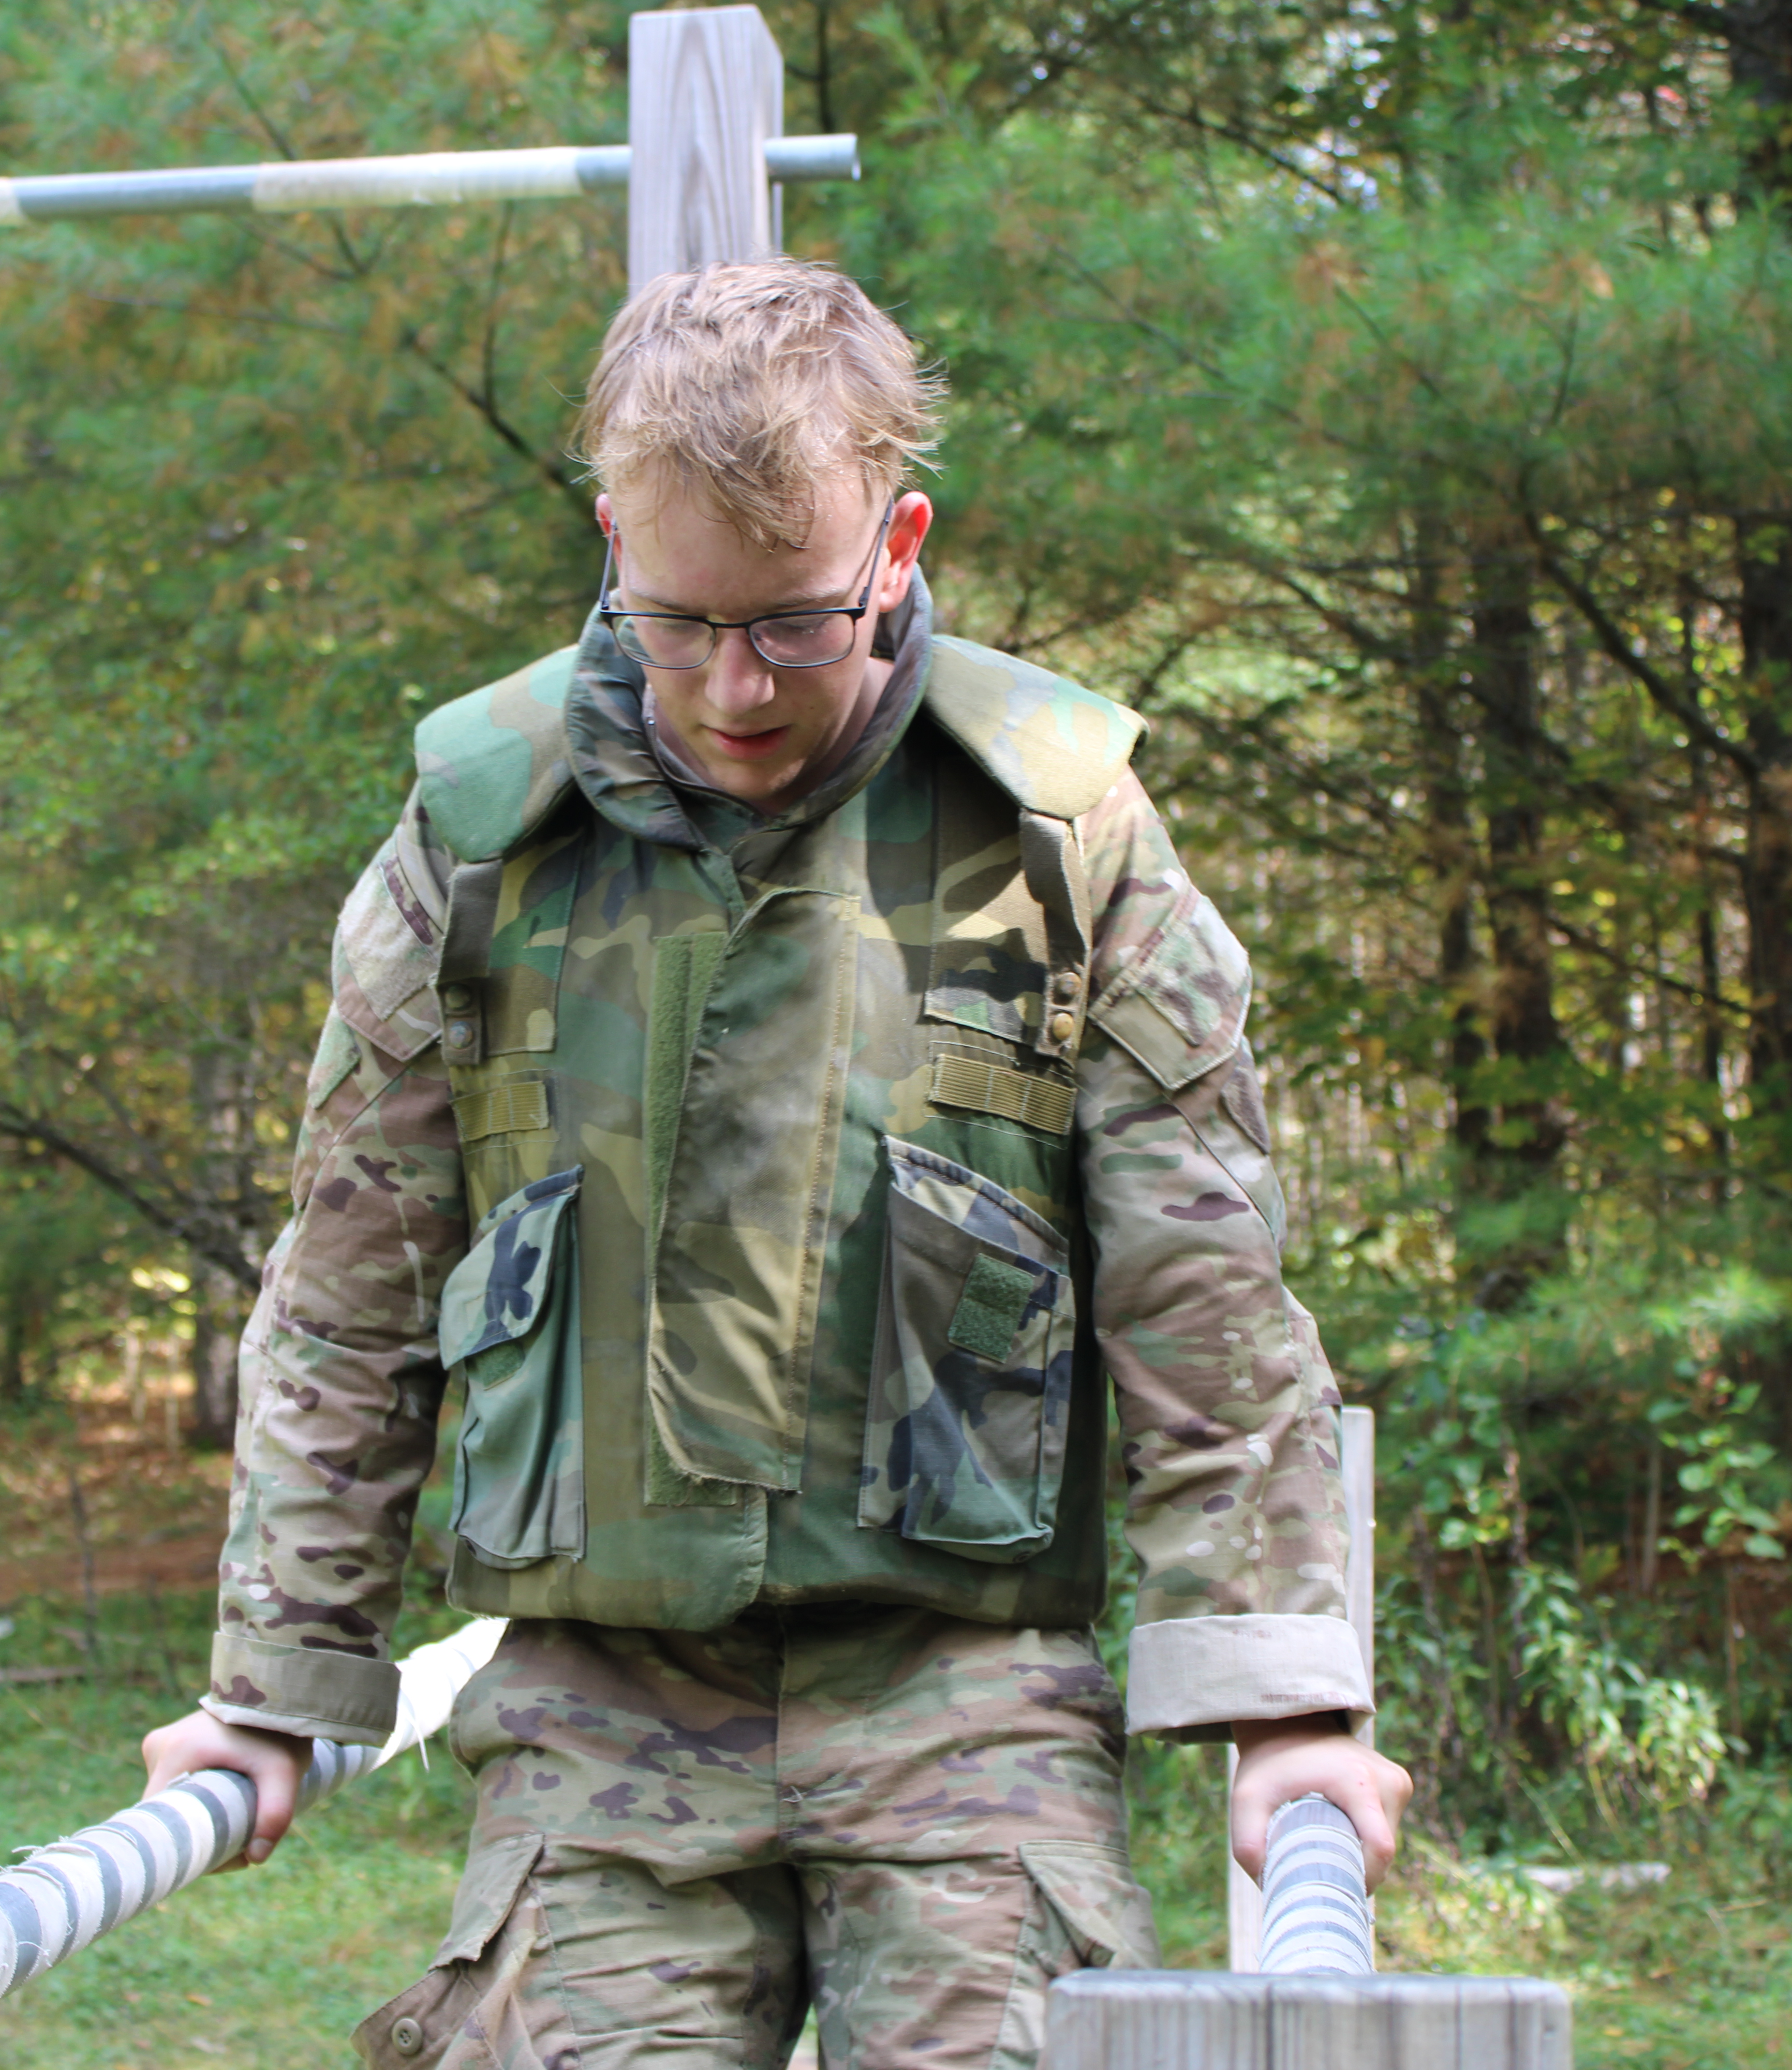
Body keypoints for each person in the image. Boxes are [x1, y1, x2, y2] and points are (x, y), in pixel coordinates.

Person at [142, 256, 1409, 2070]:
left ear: (898, 543)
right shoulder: (484, 833)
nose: (734, 685)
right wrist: (276, 1685)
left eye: (797, 625)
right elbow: (353, 1287)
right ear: (610, 537)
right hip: (604, 1707)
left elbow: (1198, 1281)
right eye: (676, 620)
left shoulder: (1054, 825)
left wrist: (1281, 1701)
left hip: (962, 1695)